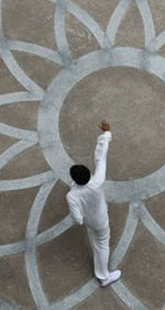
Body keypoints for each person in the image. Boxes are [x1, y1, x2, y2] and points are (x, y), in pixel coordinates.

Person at [66, 119, 121, 287]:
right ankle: (104, 277)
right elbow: (101, 158)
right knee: (103, 244)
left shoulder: (72, 195)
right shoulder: (97, 181)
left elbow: (78, 220)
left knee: (97, 243)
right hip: (101, 219)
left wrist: (81, 217)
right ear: (88, 173)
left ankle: (103, 275)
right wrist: (106, 133)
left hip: (90, 221)